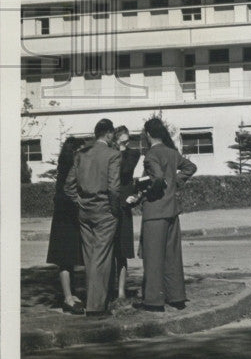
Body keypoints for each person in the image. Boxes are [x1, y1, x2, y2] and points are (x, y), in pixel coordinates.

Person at [135, 117, 196, 313]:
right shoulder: (171, 152)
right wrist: (175, 182)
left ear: (148, 135)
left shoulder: (150, 155)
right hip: (172, 210)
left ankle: (153, 301)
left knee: (153, 258)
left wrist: (147, 190)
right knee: (172, 256)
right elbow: (190, 167)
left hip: (154, 211)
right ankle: (177, 297)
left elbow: (158, 178)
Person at [64, 118, 121, 317]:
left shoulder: (81, 155)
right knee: (101, 257)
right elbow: (114, 187)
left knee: (90, 258)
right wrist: (114, 209)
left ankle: (93, 301)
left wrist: (78, 200)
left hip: (85, 210)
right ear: (109, 134)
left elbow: (68, 186)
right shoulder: (113, 155)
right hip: (104, 209)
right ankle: (96, 307)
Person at [46, 137, 85, 314]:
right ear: (74, 151)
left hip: (65, 216)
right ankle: (68, 297)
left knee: (69, 258)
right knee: (64, 258)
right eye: (81, 150)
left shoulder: (65, 167)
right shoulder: (70, 169)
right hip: (65, 217)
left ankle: (71, 294)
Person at [111, 125, 140, 302]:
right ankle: (108, 289)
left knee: (122, 251)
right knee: (108, 250)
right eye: (122, 141)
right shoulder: (110, 153)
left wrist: (119, 150)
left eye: (127, 141)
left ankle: (121, 291)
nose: (126, 144)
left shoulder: (132, 154)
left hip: (124, 204)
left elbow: (125, 170)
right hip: (110, 204)